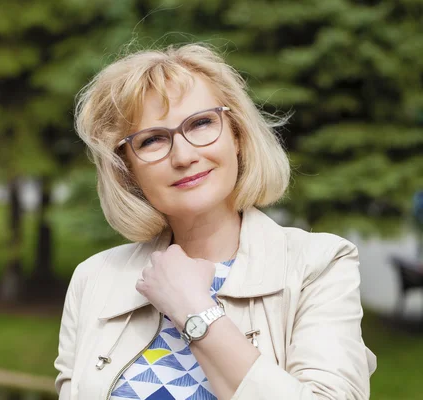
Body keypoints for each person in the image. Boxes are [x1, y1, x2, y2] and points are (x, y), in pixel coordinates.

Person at [54, 43, 377, 400]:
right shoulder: (95, 278)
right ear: (127, 169)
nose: (184, 155)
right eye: (152, 140)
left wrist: (194, 309)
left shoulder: (318, 265)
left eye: (202, 123)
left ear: (237, 135)